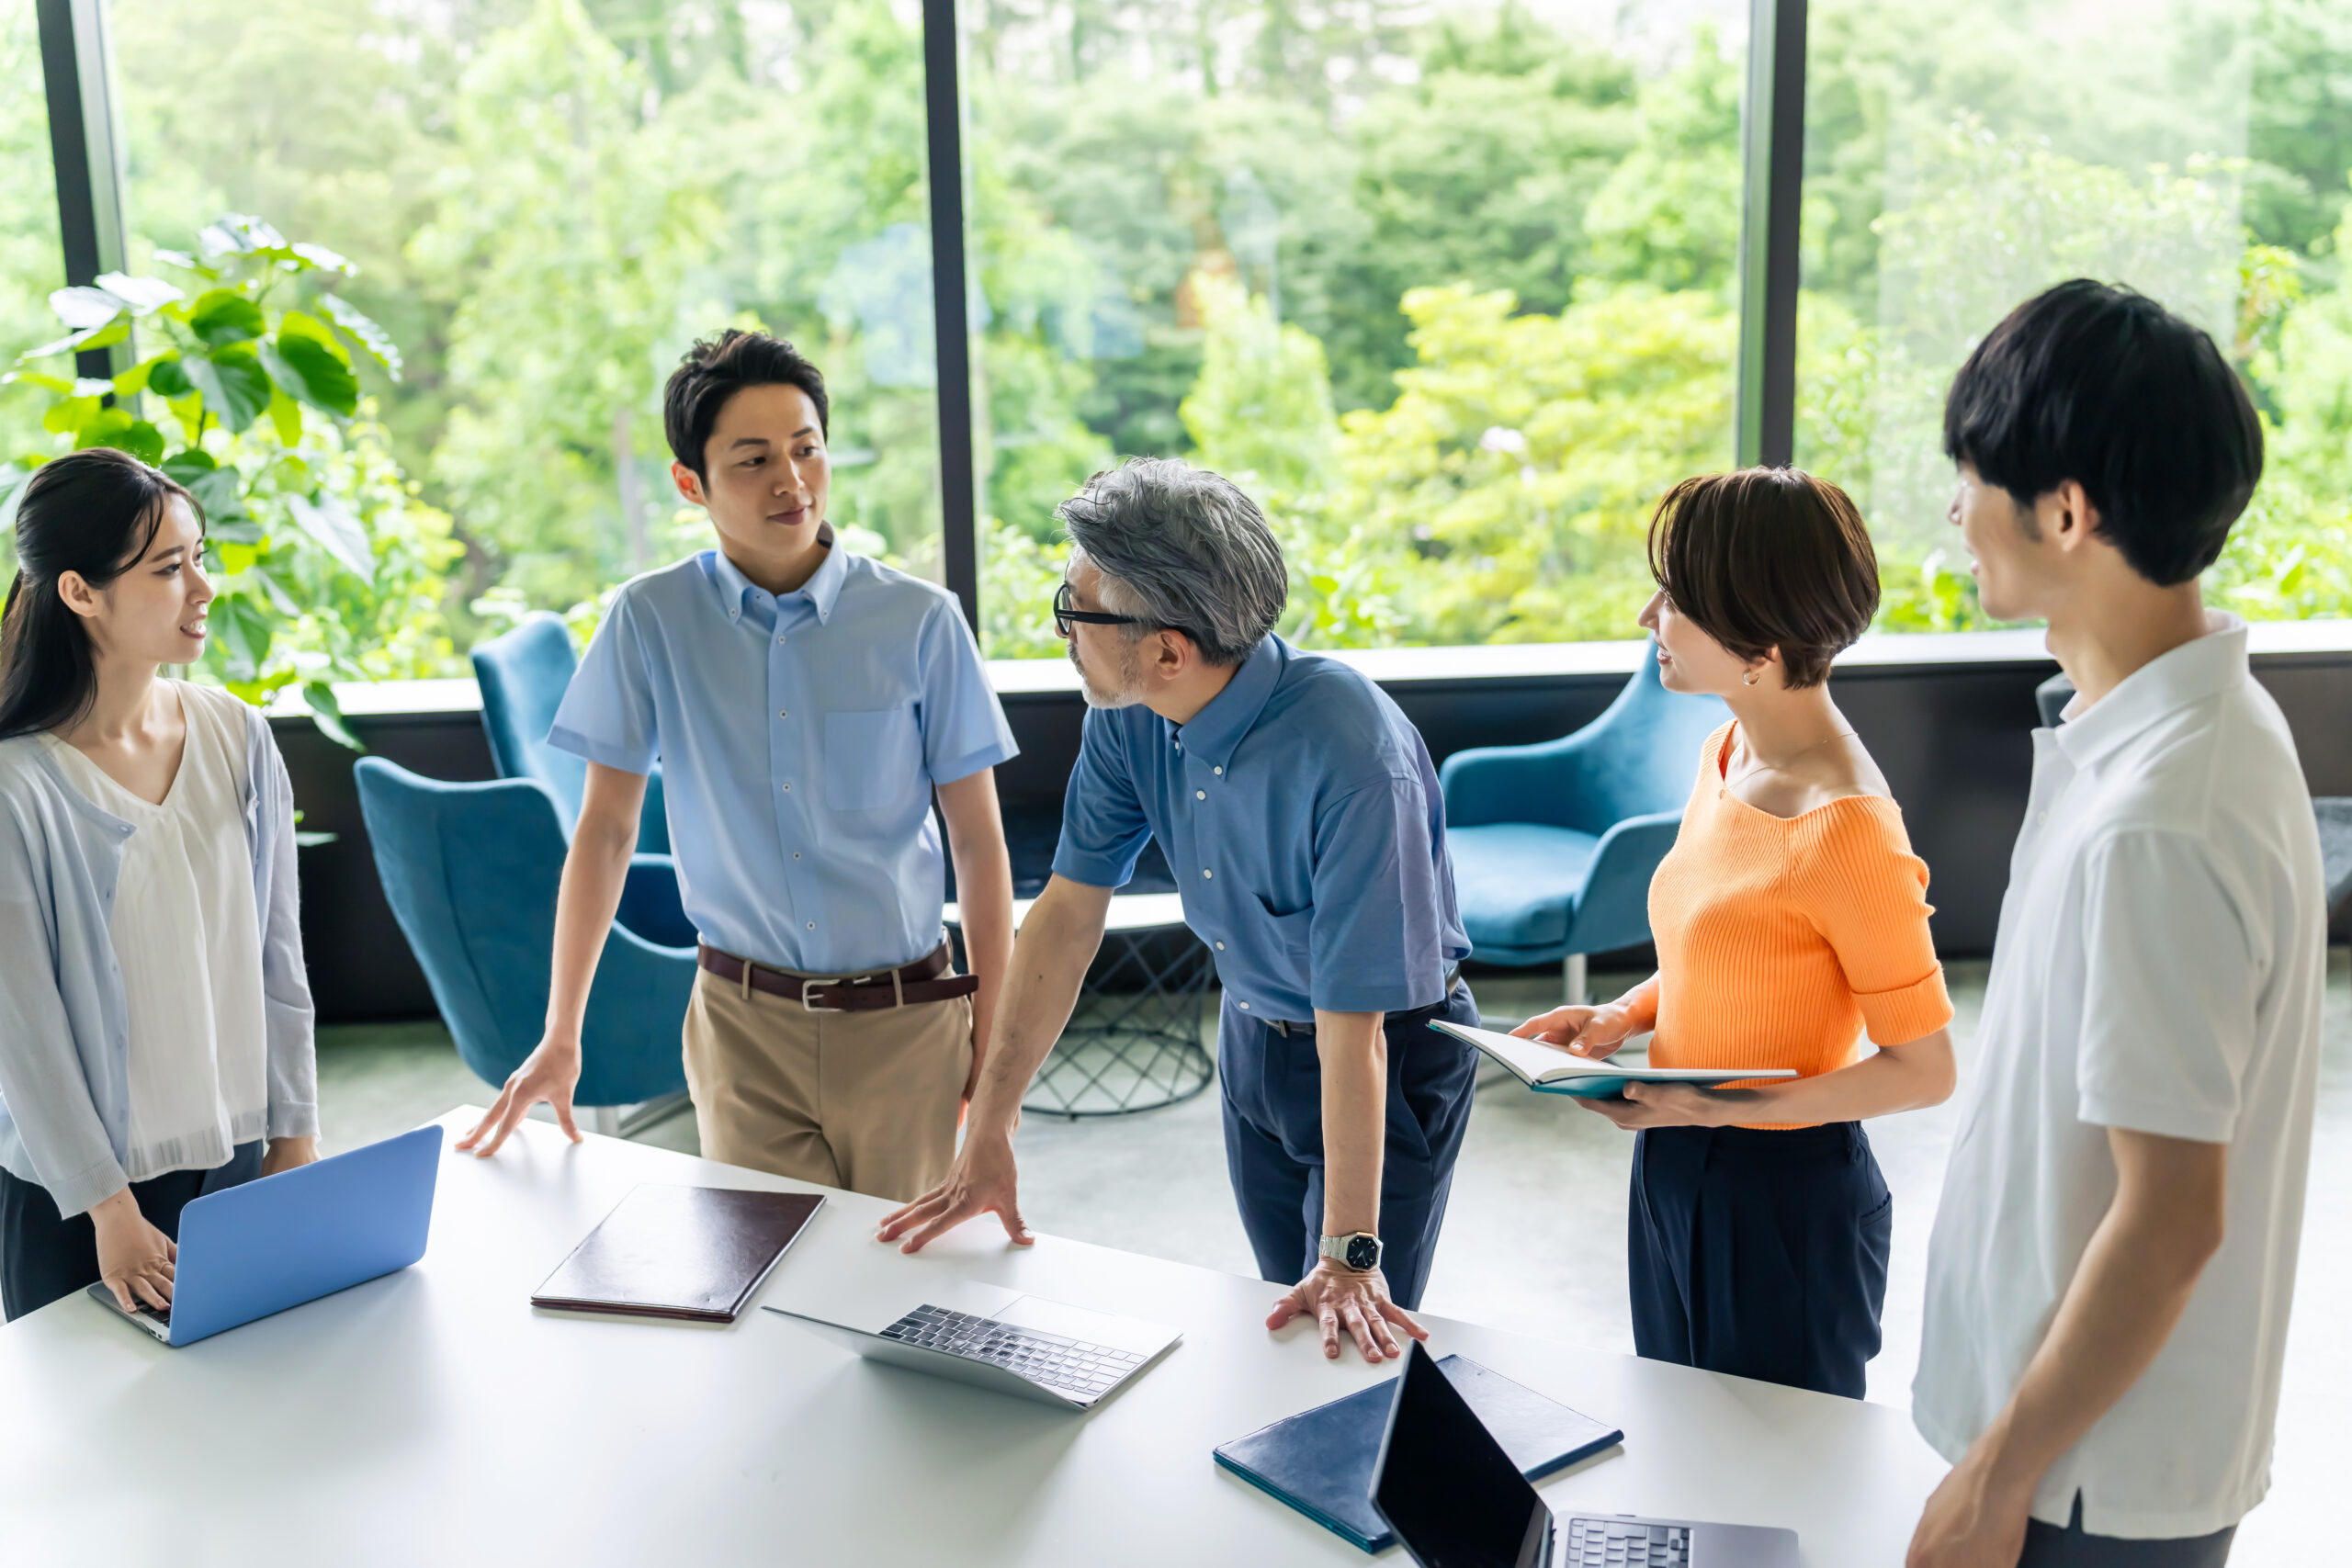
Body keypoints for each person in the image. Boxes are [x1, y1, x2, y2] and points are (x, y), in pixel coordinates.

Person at [878, 457, 1478, 1365]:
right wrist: (992, 1126)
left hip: (1385, 1059)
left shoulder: (1352, 757)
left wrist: (1354, 1255)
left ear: (1167, 649)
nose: (1062, 632)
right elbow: (1067, 917)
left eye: (1074, 611)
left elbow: (1353, 1030)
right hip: (1251, 1037)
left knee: (1350, 1331)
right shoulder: (1129, 713)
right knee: (1284, 1317)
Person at [1906, 282, 2320, 1568]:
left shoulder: (2161, 817)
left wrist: (1997, 1473)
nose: (1956, 510)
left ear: (2067, 511)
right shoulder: (2192, 734)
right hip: (2078, 1456)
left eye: (1971, 475)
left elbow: (2171, 1215)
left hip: (2085, 1480)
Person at [457, 330, 1019, 1203]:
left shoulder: (920, 621)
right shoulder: (651, 619)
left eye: (806, 449)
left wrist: (999, 1043)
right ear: (692, 483)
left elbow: (978, 842)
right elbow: (604, 832)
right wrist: (562, 1029)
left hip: (907, 1024)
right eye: (753, 460)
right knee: (768, 1293)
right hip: (741, 1029)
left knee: (911, 1296)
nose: (790, 481)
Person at [1512, 467, 1956, 1400]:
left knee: (1778, 1482)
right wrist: (1621, 1015)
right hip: (1675, 1154)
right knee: (1681, 1438)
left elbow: (1925, 1071)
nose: (1646, 616)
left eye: (1673, 600)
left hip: (1784, 1196)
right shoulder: (1729, 747)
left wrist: (1715, 1107)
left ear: (1756, 647)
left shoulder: (1847, 829)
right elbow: (1729, 950)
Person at [0, 447, 319, 1322]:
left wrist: (295, 1134)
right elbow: (22, 1030)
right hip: (85, 1206)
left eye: (199, 557)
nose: (203, 588)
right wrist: (107, 1205)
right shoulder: (18, 787)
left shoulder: (238, 737)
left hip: (239, 1166)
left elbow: (279, 964)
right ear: (79, 592)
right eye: (169, 568)